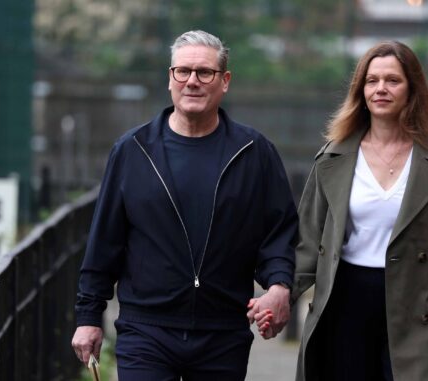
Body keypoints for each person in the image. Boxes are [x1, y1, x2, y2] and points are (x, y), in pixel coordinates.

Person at [71, 30, 297, 380]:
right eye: (183, 71)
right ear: (170, 78)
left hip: (222, 332)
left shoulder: (254, 152)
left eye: (204, 72)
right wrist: (88, 317)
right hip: (145, 329)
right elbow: (104, 242)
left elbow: (279, 232)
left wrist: (279, 287)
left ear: (225, 81)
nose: (192, 81)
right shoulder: (133, 151)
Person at [288, 41, 428, 381]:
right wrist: (279, 296)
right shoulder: (333, 158)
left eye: (392, 80)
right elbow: (307, 240)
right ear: (361, 90)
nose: (380, 88)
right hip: (343, 303)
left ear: (412, 88)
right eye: (372, 80)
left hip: (414, 306)